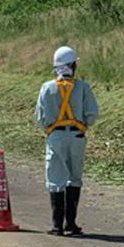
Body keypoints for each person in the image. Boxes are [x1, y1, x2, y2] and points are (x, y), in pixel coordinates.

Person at [35, 46, 99, 236]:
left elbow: (39, 116)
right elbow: (92, 113)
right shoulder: (83, 87)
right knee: (75, 178)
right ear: (73, 65)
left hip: (55, 135)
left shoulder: (47, 87)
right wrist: (83, 125)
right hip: (77, 136)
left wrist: (48, 129)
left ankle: (57, 225)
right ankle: (71, 223)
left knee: (56, 178)